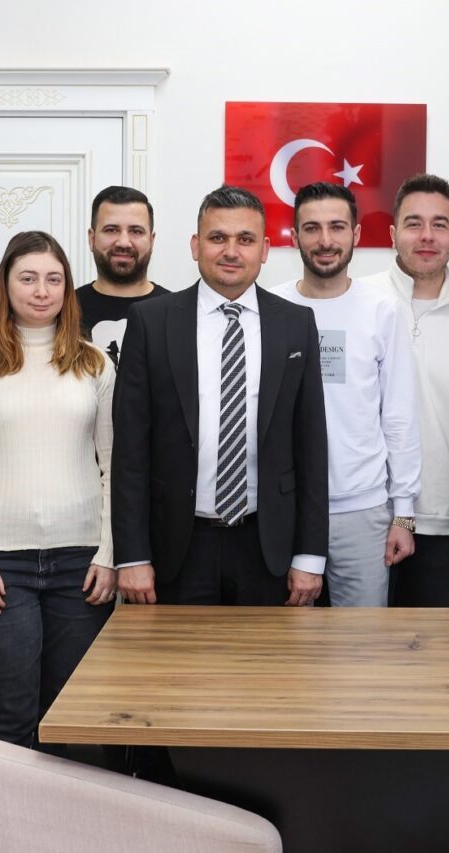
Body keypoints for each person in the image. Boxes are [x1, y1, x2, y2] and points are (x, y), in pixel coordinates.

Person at [0, 230, 115, 751]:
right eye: (28, 278)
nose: (41, 291)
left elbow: (117, 467)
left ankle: (65, 810)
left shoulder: (95, 364)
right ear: (6, 286)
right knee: (7, 717)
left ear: (67, 289)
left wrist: (108, 554)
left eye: (54, 279)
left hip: (81, 569)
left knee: (71, 718)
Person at [112, 185, 328, 607]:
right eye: (217, 238)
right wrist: (132, 556)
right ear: (196, 246)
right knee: (179, 654)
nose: (231, 251)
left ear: (265, 250)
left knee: (265, 654)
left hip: (268, 547)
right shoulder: (151, 322)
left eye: (245, 239)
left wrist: (309, 555)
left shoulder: (296, 323)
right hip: (177, 547)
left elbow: (311, 446)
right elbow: (130, 451)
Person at [273, 182, 420, 607]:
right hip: (287, 510)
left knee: (362, 641)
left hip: (363, 510)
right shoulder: (272, 308)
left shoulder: (383, 309)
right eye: (312, 228)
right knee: (287, 640)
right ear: (294, 236)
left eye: (337, 227)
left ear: (356, 234)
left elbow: (399, 415)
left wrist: (404, 514)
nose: (325, 240)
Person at [363, 174, 449, 607]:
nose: (427, 236)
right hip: (362, 514)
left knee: (429, 644)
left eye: (440, 224)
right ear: (392, 233)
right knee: (352, 642)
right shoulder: (360, 300)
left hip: (442, 522)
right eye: (414, 223)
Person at [76, 186, 169, 365]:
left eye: (136, 231)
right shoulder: (64, 310)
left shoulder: (177, 312)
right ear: (91, 238)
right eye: (111, 230)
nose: (124, 242)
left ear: (152, 240)